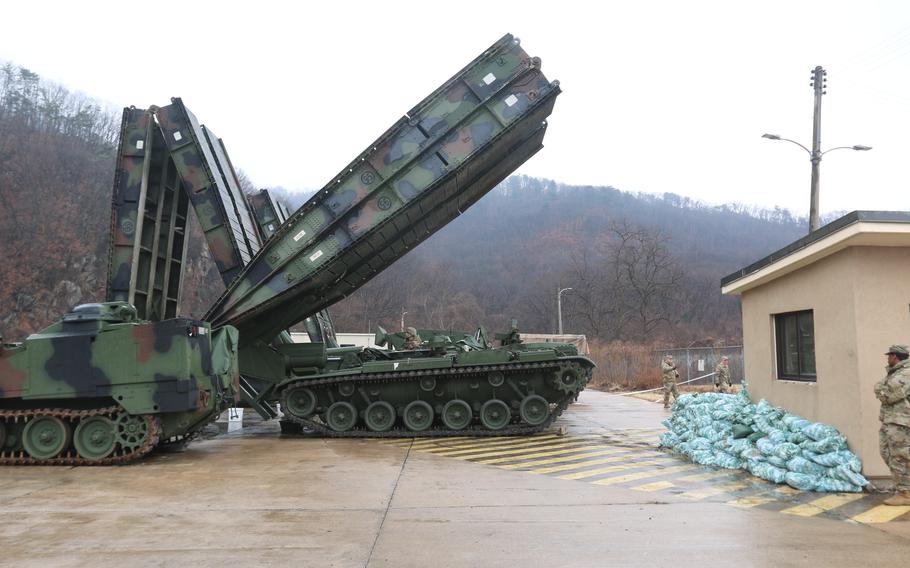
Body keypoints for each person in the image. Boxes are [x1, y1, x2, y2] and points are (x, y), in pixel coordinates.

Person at [874, 344, 910, 506]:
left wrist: (880, 389)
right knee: (886, 452)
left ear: (895, 356)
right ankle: (903, 488)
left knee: (899, 456)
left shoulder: (905, 374)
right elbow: (880, 388)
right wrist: (880, 388)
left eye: (889, 356)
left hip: (900, 422)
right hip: (891, 420)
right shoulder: (895, 373)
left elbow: (886, 395)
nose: (888, 359)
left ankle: (905, 493)